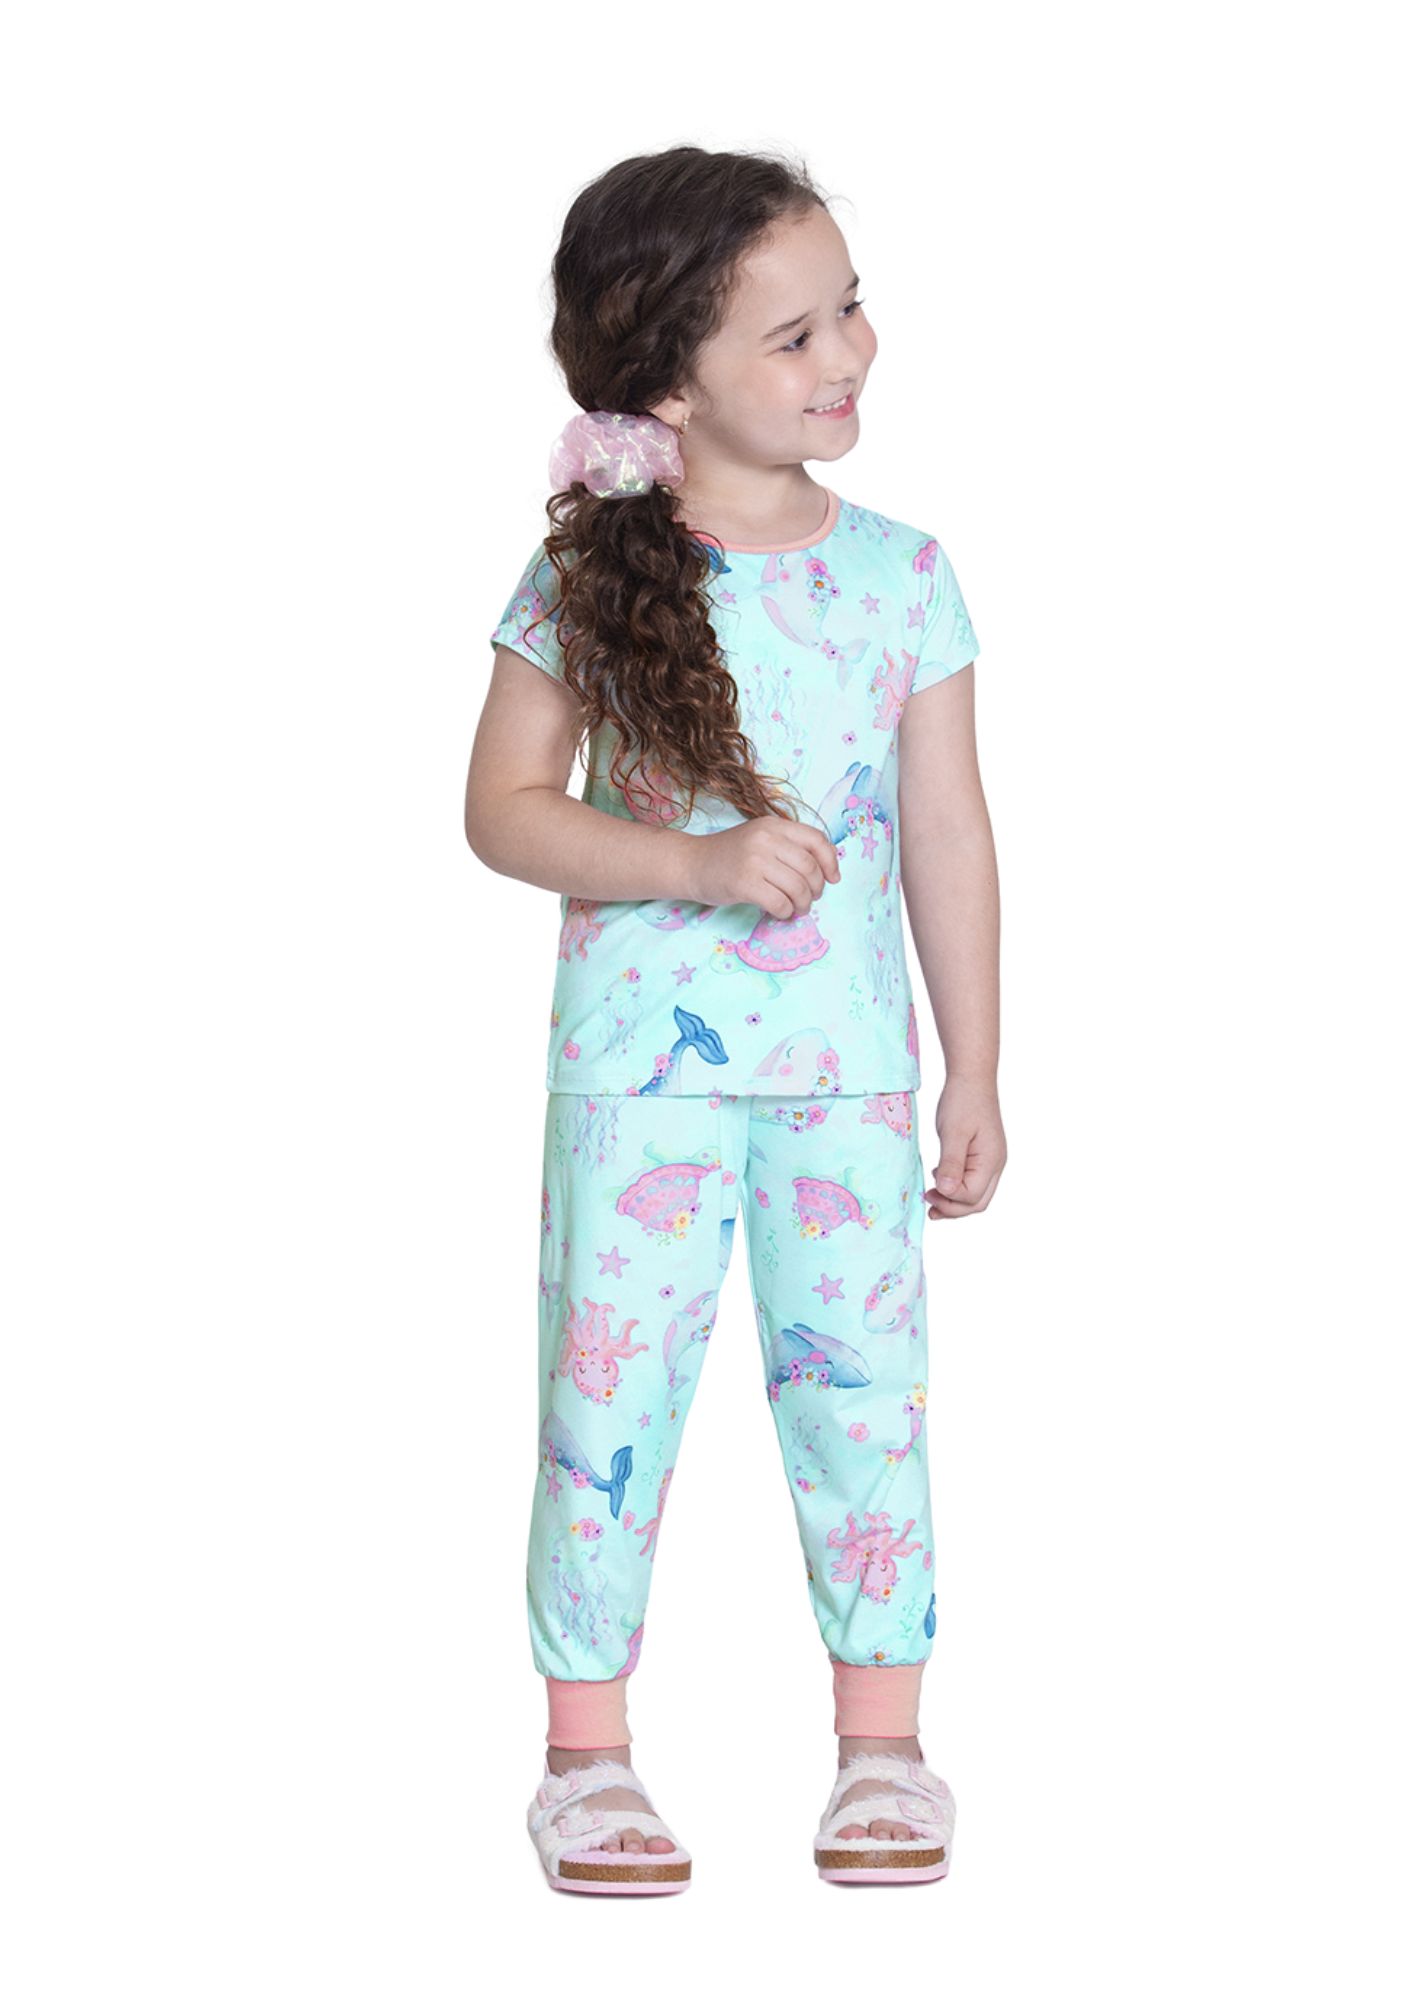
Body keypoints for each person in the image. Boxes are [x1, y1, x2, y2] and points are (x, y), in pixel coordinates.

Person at [464, 145, 1004, 1893]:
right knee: (604, 1404)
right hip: (640, 1081)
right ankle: (585, 1756)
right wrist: (688, 866)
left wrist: (974, 1070)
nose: (847, 352)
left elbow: (946, 832)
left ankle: (882, 1743)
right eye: (792, 334)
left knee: (866, 1401)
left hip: (845, 1077)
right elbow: (501, 812)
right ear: (667, 382)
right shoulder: (587, 580)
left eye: (848, 308)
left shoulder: (904, 576)